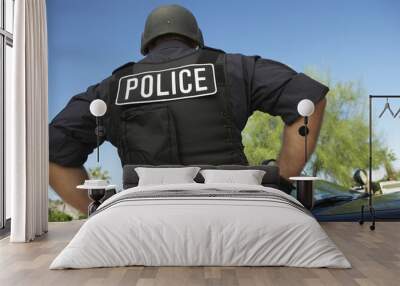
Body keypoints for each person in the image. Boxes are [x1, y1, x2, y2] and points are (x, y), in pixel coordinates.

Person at [49, 4, 328, 213]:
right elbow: (309, 99)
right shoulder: (232, 68)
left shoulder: (110, 89)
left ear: (146, 43)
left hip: (145, 223)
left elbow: (51, 154)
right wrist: (280, 179)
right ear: (196, 38)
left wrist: (104, 212)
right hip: (238, 214)